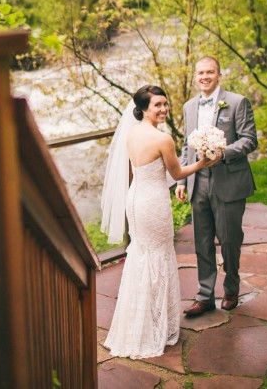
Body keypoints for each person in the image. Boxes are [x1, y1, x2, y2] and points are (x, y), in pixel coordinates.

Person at [101, 85, 217, 359]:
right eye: (158, 105)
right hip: (153, 203)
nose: (164, 109)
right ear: (143, 109)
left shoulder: (131, 133)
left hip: (135, 200)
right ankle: (154, 327)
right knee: (158, 257)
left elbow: (146, 170)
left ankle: (137, 325)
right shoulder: (162, 139)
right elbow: (176, 172)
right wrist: (202, 163)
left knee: (141, 257)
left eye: (165, 104)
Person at [176, 57, 258, 317]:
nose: (204, 77)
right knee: (201, 241)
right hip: (197, 182)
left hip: (228, 181)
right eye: (200, 73)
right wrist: (180, 180)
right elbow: (185, 147)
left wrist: (223, 153)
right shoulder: (189, 106)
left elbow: (249, 140)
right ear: (195, 76)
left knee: (230, 239)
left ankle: (231, 288)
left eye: (209, 72)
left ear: (219, 75)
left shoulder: (237, 102)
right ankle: (205, 296)